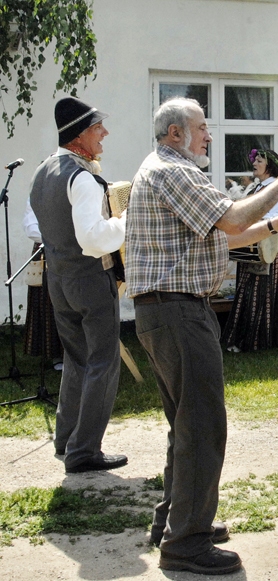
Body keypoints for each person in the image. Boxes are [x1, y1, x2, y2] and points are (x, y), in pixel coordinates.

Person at [126, 97, 278, 575]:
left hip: (170, 310)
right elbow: (231, 219)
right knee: (202, 425)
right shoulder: (173, 171)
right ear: (175, 133)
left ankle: (176, 521)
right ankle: (186, 543)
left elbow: (220, 236)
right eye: (202, 127)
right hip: (178, 311)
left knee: (187, 424)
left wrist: (277, 222)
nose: (209, 135)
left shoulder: (168, 170)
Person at [28, 96, 127, 473]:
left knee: (76, 359)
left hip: (59, 280)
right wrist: (125, 221)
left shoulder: (43, 171)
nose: (104, 133)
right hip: (90, 279)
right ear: (78, 136)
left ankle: (66, 437)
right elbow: (93, 239)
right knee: (103, 361)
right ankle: (84, 450)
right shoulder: (82, 178)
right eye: (97, 128)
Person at [221, 149, 278, 351]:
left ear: (270, 166)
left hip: (270, 243)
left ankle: (266, 337)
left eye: (259, 160)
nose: (255, 163)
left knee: (265, 289)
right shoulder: (257, 186)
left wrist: (253, 220)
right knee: (250, 288)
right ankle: (249, 336)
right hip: (254, 241)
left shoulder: (277, 187)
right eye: (255, 160)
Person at [22, 199, 64, 370]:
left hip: (74, 250)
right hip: (47, 250)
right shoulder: (38, 191)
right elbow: (30, 226)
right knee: (48, 302)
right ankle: (55, 354)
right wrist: (57, 237)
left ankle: (78, 353)